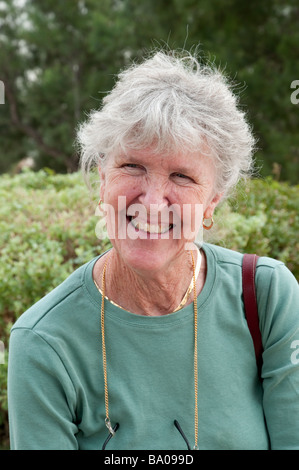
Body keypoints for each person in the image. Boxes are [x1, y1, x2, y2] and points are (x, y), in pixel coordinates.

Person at [8, 49, 299, 450]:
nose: (153, 200)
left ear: (212, 202)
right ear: (101, 180)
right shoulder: (43, 343)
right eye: (132, 167)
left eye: (182, 176)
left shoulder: (268, 297)